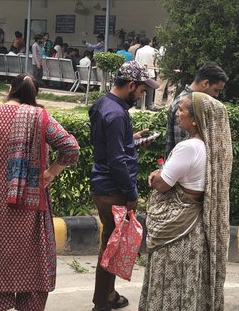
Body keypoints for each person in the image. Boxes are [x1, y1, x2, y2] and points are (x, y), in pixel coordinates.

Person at [0, 75, 80, 311]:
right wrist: (51, 172)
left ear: (10, 90)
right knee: (31, 267)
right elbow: (71, 148)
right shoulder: (39, 117)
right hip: (28, 209)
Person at [139, 92, 233, 310]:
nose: (177, 113)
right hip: (194, 226)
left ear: (194, 119)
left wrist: (155, 176)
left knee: (168, 284)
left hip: (176, 230)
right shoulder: (212, 147)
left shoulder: (188, 147)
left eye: (181, 109)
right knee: (188, 284)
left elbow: (163, 183)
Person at [89, 62, 158, 311]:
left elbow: (109, 147)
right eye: (141, 90)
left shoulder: (102, 104)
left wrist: (132, 140)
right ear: (130, 85)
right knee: (112, 244)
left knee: (112, 243)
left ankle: (108, 293)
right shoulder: (117, 114)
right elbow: (117, 160)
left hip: (103, 183)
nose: (141, 95)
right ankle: (102, 300)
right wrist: (131, 193)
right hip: (113, 187)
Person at [166, 63, 229, 156]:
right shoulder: (184, 104)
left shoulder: (197, 103)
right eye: (216, 90)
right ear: (205, 83)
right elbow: (185, 149)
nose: (216, 95)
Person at [134, 39, 159, 108]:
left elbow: (136, 62)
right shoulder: (155, 50)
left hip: (140, 73)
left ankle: (139, 104)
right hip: (150, 72)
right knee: (150, 91)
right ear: (149, 43)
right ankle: (149, 105)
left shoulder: (139, 51)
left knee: (139, 89)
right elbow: (156, 62)